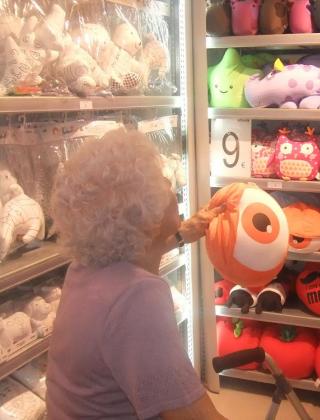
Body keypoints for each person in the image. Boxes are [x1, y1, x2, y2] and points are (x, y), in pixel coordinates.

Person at [46, 128, 227, 420]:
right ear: (145, 218)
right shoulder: (138, 297)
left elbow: (142, 251)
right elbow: (194, 416)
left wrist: (181, 234)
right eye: (161, 182)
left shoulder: (84, 266)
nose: (169, 185)